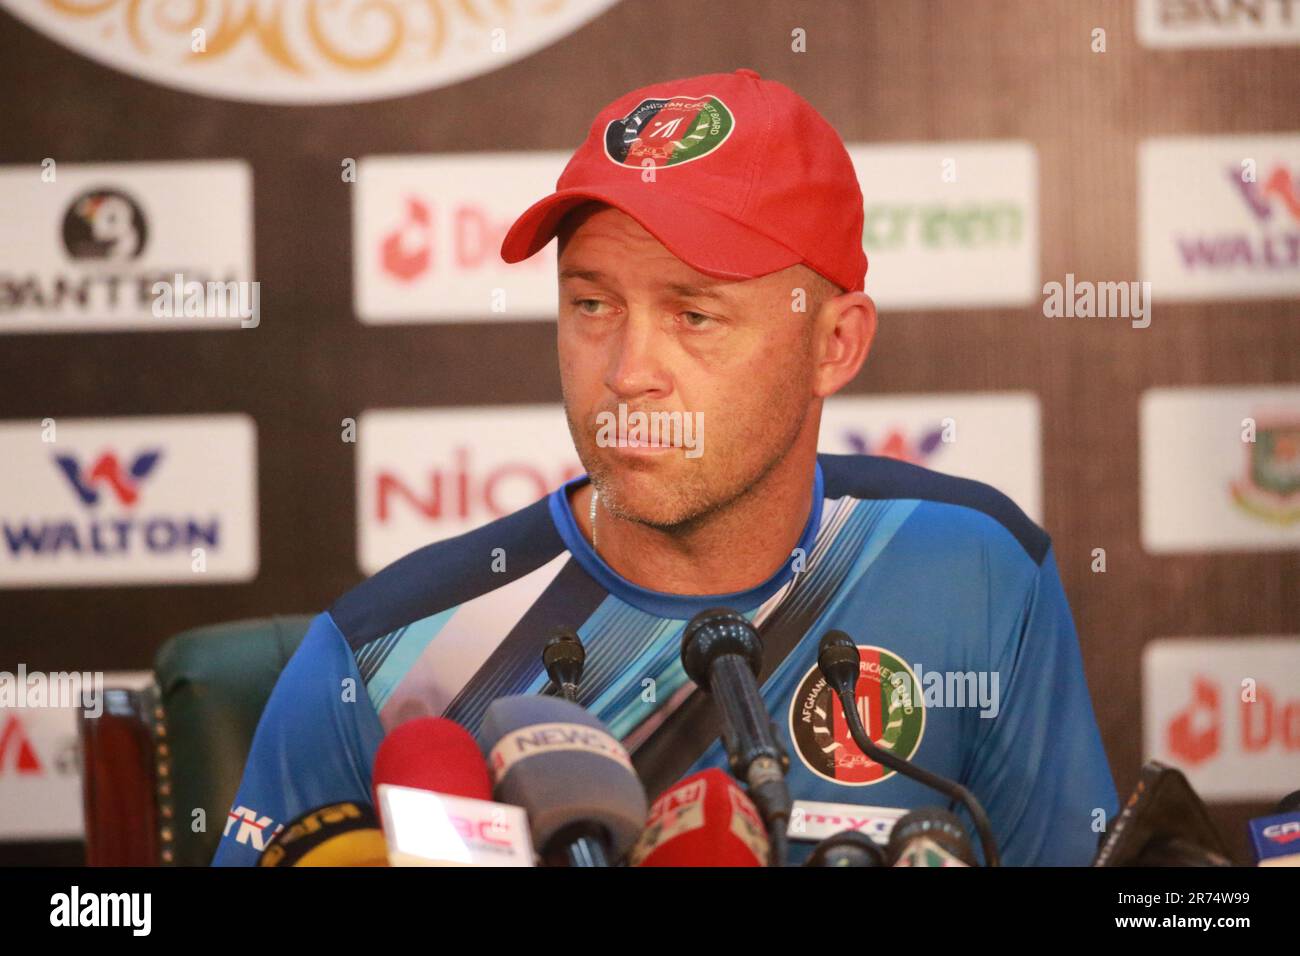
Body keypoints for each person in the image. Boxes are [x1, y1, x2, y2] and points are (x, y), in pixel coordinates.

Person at [213, 68, 1117, 866]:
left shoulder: (976, 568)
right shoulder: (383, 661)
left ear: (834, 346)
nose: (627, 372)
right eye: (593, 303)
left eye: (695, 315)